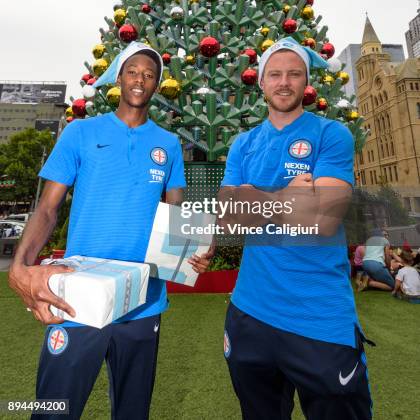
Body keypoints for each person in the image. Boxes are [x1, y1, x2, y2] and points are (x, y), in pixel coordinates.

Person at [9, 42, 210, 420]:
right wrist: (20, 264)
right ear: (119, 78)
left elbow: (177, 213)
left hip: (143, 301)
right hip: (79, 296)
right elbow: (48, 209)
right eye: (133, 71)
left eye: (150, 75)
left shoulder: (168, 144)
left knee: (133, 412)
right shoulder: (81, 132)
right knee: (54, 410)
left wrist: (198, 246)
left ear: (156, 87)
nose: (140, 79)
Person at [219, 38, 373, 420]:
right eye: (275, 74)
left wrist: (254, 198)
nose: (284, 82)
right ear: (262, 82)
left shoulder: (331, 134)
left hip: (318, 317)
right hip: (249, 314)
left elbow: (324, 221)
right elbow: (226, 219)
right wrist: (288, 196)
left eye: (294, 74)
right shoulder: (244, 144)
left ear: (307, 82)